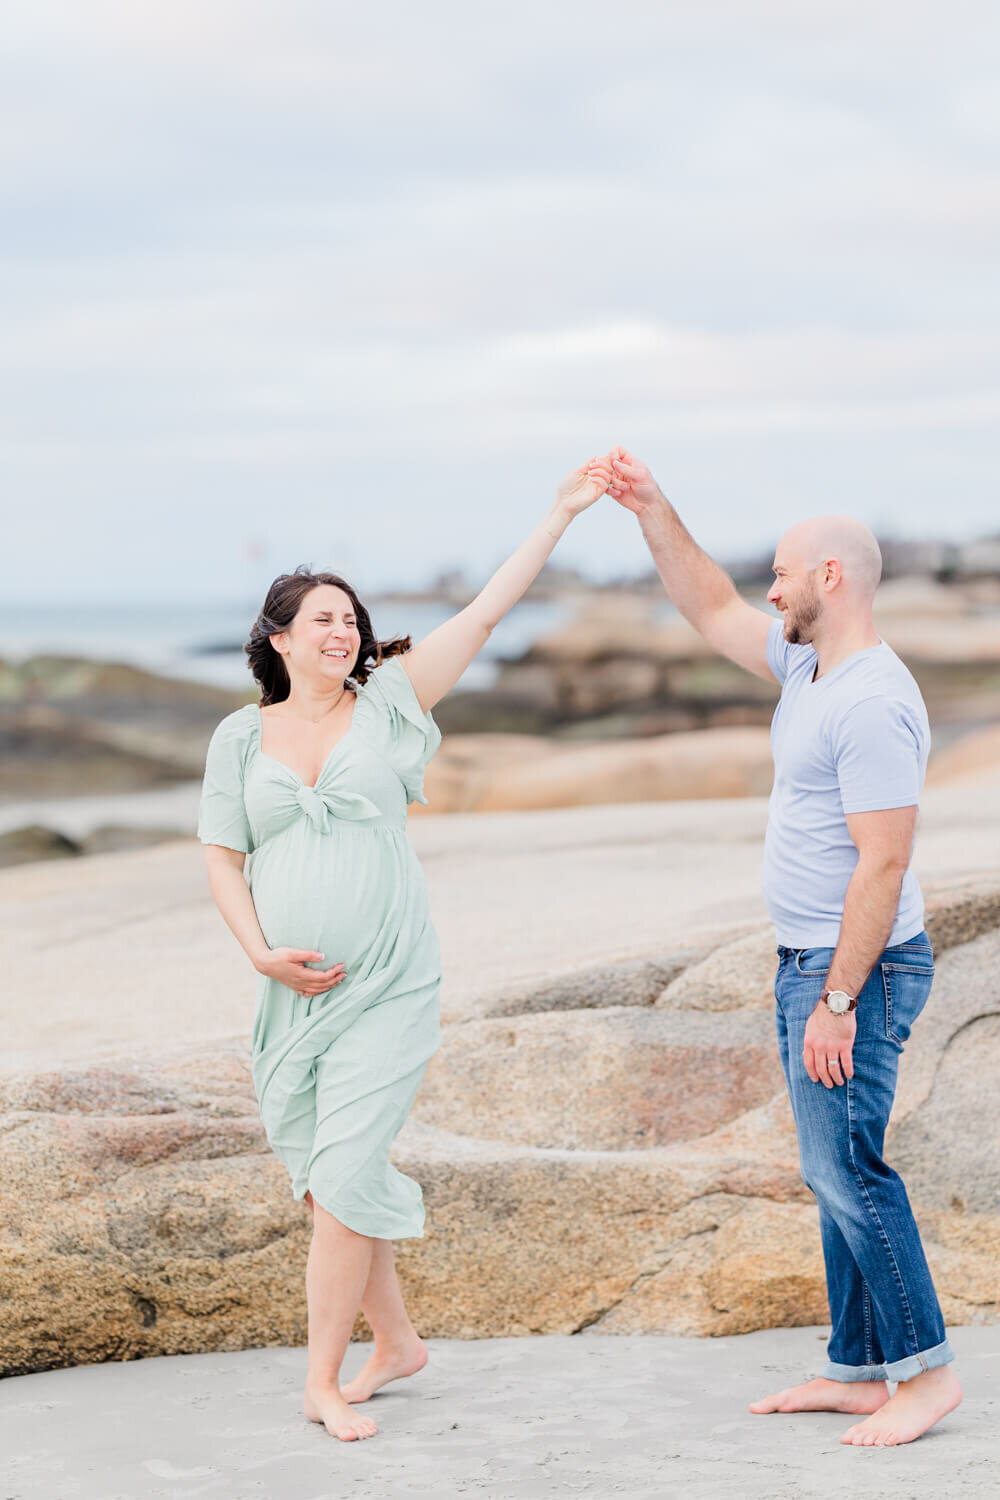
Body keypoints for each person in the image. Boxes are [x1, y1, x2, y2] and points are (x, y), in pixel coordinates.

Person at [197, 455, 612, 1442]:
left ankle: (322, 1383)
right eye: (322, 620)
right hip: (290, 994)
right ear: (279, 639)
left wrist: (557, 513)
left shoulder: (390, 702)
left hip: (386, 981)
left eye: (352, 619)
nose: (342, 632)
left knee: (341, 1173)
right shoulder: (237, 739)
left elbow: (484, 612)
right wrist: (259, 955)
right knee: (321, 1173)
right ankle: (397, 1345)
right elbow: (220, 858)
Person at [606, 446, 962, 1448]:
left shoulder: (874, 701)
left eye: (785, 572)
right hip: (809, 959)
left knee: (848, 1164)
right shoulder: (807, 664)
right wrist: (649, 508)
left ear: (831, 579)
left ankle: (924, 1374)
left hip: (860, 970)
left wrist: (837, 999)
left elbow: (883, 865)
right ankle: (858, 1369)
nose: (770, 589)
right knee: (828, 1166)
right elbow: (710, 604)